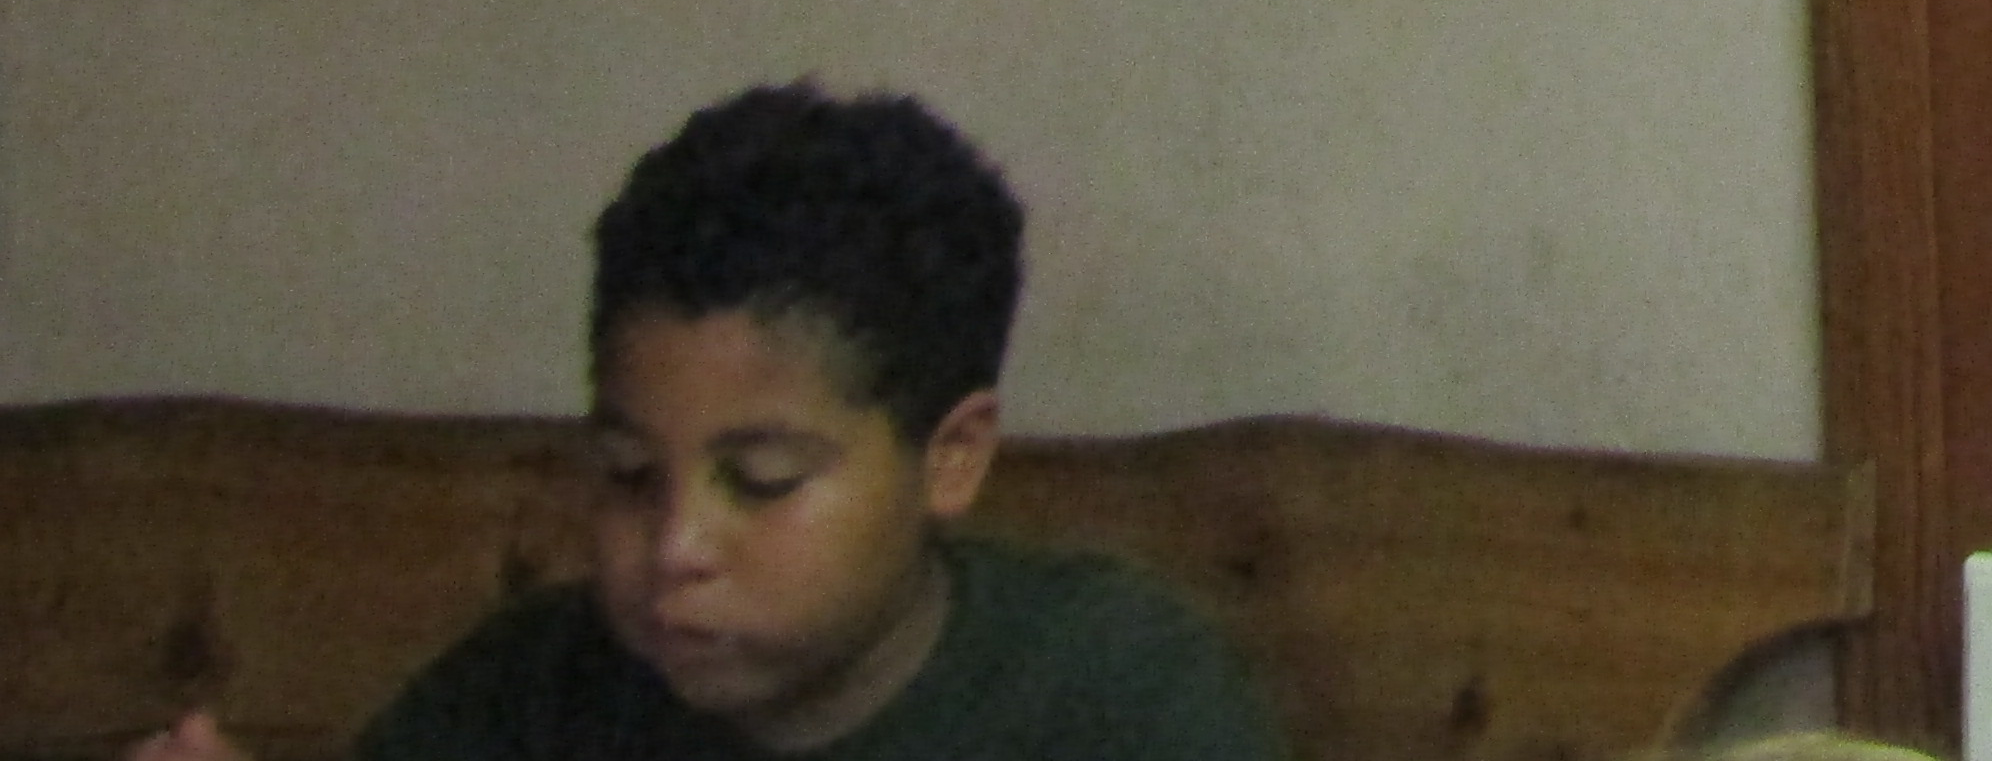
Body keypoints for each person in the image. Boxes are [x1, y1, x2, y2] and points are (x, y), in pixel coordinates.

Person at [138, 82, 1281, 761]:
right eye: (629, 474)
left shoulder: (1114, 695)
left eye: (764, 479)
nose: (675, 548)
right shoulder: (526, 699)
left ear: (950, 457)